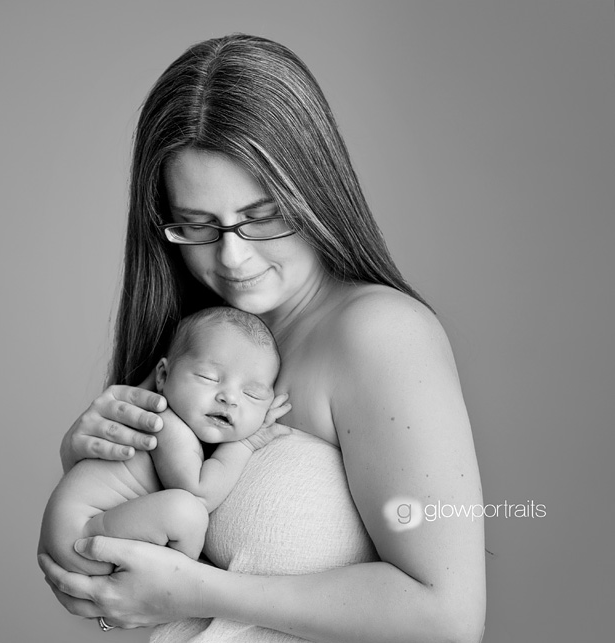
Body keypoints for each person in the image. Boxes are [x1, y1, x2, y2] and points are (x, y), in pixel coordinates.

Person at [38, 34, 486, 643]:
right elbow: (121, 587)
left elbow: (448, 619)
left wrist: (196, 589)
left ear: (316, 190)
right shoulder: (203, 342)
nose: (232, 256)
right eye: (198, 226)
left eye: (261, 217)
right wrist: (86, 476)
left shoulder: (380, 334)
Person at [39, 306, 290, 581]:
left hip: (89, 529)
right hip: (81, 533)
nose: (229, 398)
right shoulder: (164, 423)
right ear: (162, 376)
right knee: (188, 512)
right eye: (208, 378)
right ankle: (181, 583)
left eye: (252, 394)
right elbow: (200, 493)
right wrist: (245, 444)